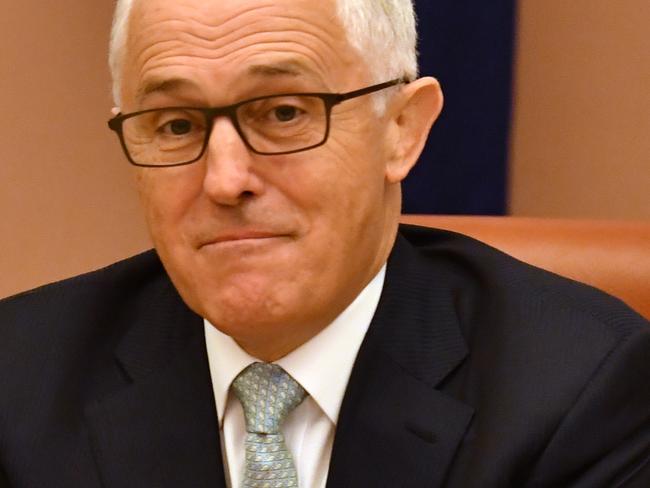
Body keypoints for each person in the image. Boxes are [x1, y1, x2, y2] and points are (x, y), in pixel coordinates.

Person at [0, 0, 648, 486]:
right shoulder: (19, 382)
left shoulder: (579, 393)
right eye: (175, 125)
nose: (225, 180)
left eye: (283, 113)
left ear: (401, 129)